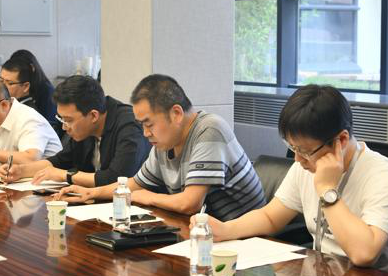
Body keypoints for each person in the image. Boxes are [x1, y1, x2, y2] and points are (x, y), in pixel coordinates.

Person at [190, 85, 388, 276]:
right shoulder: (306, 165)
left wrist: (327, 190)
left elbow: (364, 254)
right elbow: (270, 217)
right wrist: (225, 230)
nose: (298, 160)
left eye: (305, 151)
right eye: (293, 148)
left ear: (341, 140)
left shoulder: (383, 176)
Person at [56, 74, 266, 218]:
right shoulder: (164, 143)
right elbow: (135, 184)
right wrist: (92, 193)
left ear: (176, 114)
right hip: (206, 234)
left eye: (149, 124)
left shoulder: (210, 129)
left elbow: (189, 203)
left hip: (247, 240)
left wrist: (150, 197)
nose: (145, 133)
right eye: (142, 125)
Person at [0, 75, 149, 187]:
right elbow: (60, 161)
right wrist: (21, 171)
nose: (64, 127)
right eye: (62, 119)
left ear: (93, 116)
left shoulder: (130, 127)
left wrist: (66, 176)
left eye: (68, 120)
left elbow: (117, 179)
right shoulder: (84, 127)